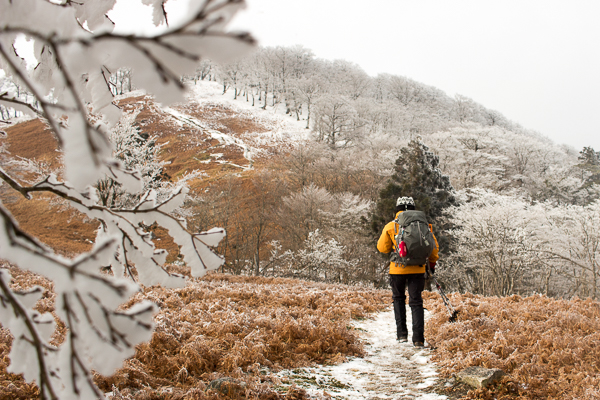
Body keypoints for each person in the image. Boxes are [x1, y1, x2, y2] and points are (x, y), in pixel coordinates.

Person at [377, 196, 439, 348]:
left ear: (397, 209)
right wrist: (431, 266)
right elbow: (434, 249)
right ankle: (418, 339)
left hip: (397, 269)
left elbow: (382, 248)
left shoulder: (392, 226)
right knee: (416, 302)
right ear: (413, 209)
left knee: (398, 299)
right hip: (417, 269)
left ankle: (401, 335)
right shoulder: (425, 225)